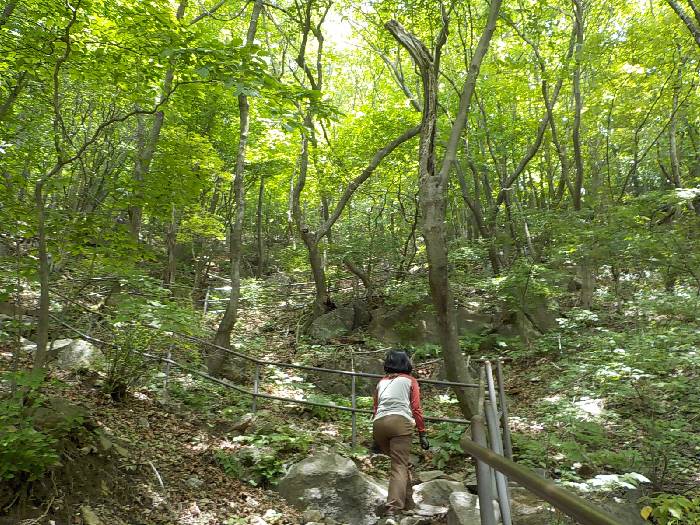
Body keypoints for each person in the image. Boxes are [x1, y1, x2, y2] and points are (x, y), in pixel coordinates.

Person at [372, 349, 429, 516]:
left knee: (401, 464)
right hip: (400, 423)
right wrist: (422, 433)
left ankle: (409, 504)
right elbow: (416, 409)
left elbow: (376, 408)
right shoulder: (410, 381)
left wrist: (375, 439)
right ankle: (393, 507)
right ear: (406, 363)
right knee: (399, 465)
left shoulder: (381, 382)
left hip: (379, 425)